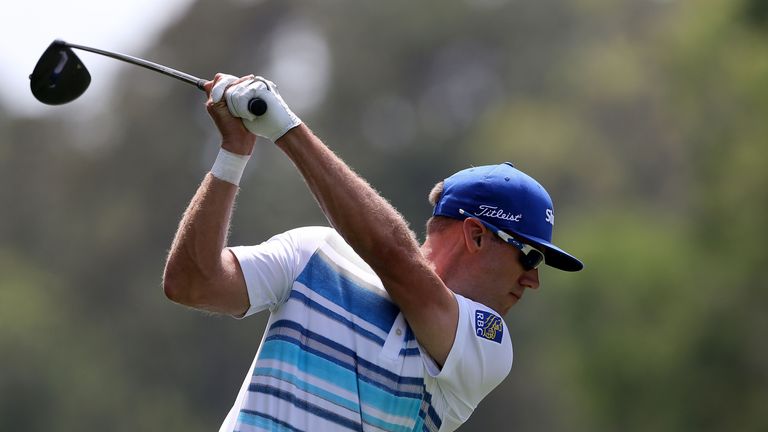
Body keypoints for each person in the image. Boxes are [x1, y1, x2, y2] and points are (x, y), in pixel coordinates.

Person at [163, 73, 583, 432]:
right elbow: (192, 284)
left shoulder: (488, 345)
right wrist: (233, 155)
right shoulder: (315, 251)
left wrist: (286, 129)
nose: (533, 280)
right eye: (528, 256)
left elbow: (393, 256)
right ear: (475, 236)